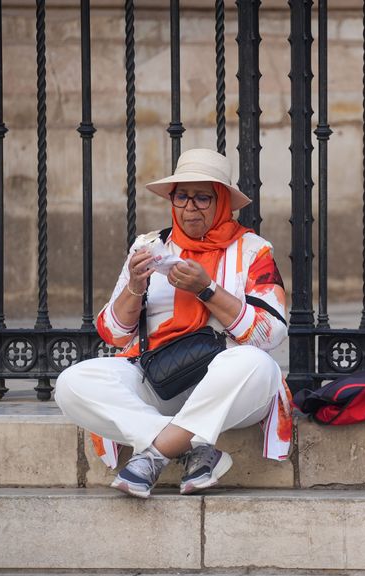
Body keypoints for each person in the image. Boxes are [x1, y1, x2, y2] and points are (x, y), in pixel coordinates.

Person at [55, 148, 292, 499]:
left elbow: (270, 333)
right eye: (182, 197)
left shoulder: (253, 250)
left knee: (257, 365)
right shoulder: (150, 246)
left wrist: (207, 289)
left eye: (201, 198)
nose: (189, 208)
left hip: (227, 391)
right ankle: (194, 447)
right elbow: (114, 334)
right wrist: (135, 287)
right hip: (161, 379)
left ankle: (154, 455)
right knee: (72, 383)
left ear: (222, 201)